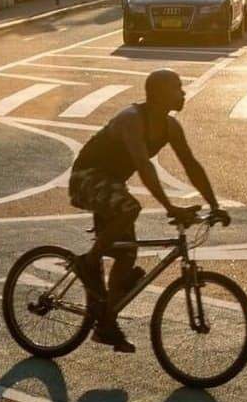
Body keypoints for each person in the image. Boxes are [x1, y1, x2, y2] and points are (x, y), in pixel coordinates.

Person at [69, 69, 220, 353]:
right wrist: (170, 206)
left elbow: (191, 164)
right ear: (161, 94)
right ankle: (87, 263)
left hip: (111, 185)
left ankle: (105, 324)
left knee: (126, 254)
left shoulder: (170, 127)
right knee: (131, 208)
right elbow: (144, 165)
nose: (183, 93)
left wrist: (215, 205)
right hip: (87, 177)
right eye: (178, 88)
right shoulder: (131, 119)